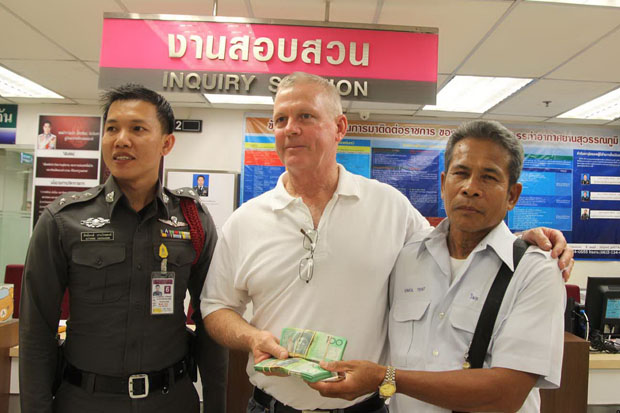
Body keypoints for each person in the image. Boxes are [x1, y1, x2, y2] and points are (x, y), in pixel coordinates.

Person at [201, 72, 573, 412]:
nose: (290, 129)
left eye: (306, 117)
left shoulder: (388, 206)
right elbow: (216, 307)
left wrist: (520, 241)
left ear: (339, 127)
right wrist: (250, 337)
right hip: (272, 404)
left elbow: (458, 239)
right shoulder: (244, 221)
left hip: (366, 407)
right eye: (280, 120)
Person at [309, 120, 566, 412]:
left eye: (489, 177)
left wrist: (385, 377)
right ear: (444, 183)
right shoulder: (407, 256)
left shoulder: (535, 271)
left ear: (512, 196)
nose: (471, 188)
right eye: (462, 173)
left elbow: (506, 394)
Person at [20, 84, 227, 413]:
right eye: (112, 128)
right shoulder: (63, 220)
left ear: (166, 143)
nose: (121, 139)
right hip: (86, 401)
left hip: (170, 400)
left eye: (137, 129)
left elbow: (214, 320)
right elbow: (36, 330)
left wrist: (218, 406)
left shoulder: (192, 220)